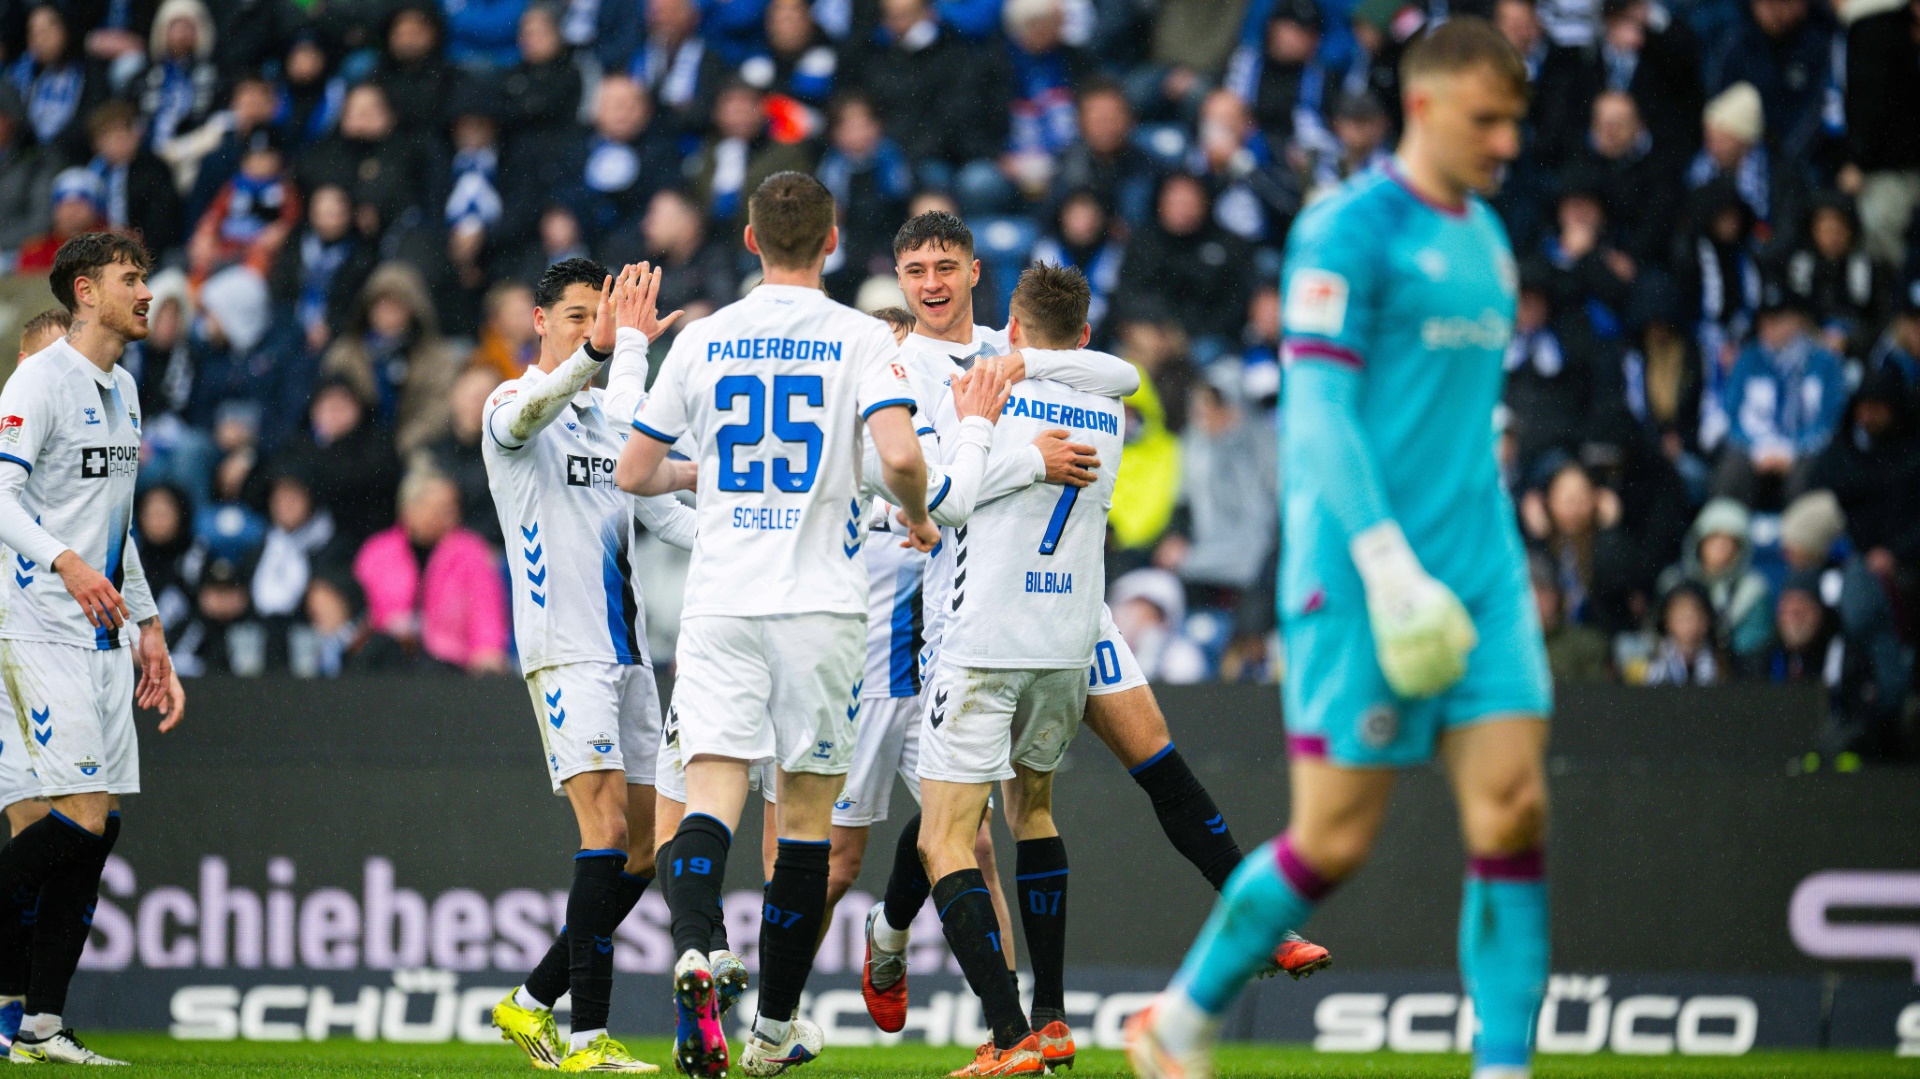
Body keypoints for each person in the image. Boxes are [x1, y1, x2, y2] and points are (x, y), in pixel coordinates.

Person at [1128, 20, 1551, 1079]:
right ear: (1425, 105)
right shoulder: (1346, 230)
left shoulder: (1489, 236)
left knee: (1514, 809)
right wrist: (1388, 562)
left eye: (1515, 120)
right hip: (1363, 574)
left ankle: (1504, 1065)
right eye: (1487, 120)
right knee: (1335, 840)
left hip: (1481, 569)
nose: (1507, 142)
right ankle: (1181, 1017)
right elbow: (1317, 411)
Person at [617, 171, 938, 1078]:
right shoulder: (864, 337)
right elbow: (900, 454)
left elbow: (635, 470)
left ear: (752, 240)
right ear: (832, 239)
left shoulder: (705, 338)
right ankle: (772, 1029)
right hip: (820, 609)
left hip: (722, 600)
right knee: (803, 823)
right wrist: (916, 512)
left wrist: (700, 476)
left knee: (709, 797)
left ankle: (694, 946)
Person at [484, 258, 693, 1073]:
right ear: (540, 321)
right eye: (575, 316)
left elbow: (666, 508)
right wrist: (605, 349)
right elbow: (529, 412)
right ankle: (587, 1039)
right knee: (603, 833)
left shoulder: (607, 421)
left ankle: (531, 998)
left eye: (598, 317)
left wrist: (756, 514)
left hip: (628, 654)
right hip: (564, 649)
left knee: (643, 848)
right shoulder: (511, 405)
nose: (589, 329)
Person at [0, 232, 185, 1066]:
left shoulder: (125, 389)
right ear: (85, 291)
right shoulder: (39, 381)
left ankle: (42, 1023)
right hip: (41, 626)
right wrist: (65, 562)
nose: (146, 291)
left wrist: (149, 625)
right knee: (74, 817)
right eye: (130, 278)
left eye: (144, 276)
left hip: (105, 634)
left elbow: (115, 523)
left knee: (98, 825)